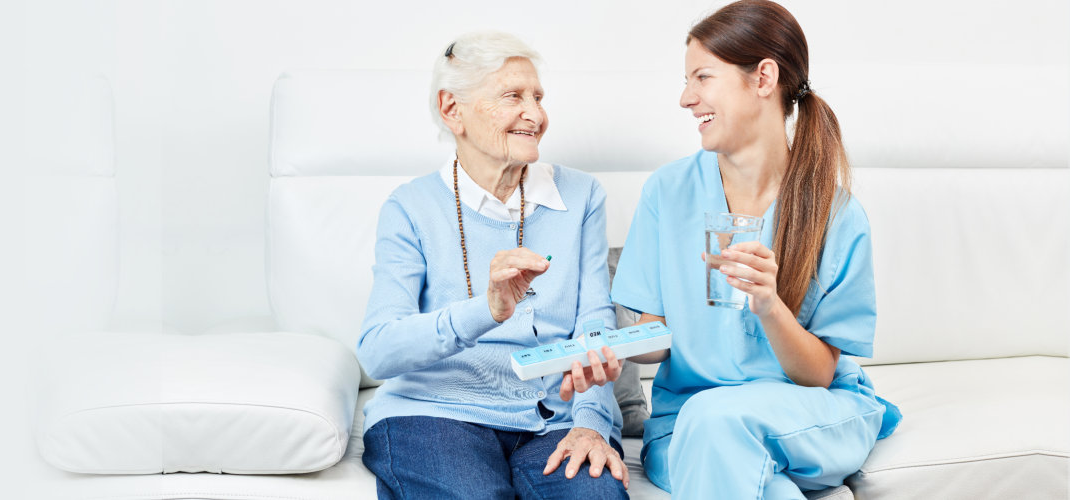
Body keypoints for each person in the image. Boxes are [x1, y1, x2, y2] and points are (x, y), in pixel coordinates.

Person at [571, 2, 903, 498]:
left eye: (702, 77)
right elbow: (655, 341)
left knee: (715, 419)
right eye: (687, 81)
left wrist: (769, 306)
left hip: (805, 414)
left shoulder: (837, 215)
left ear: (763, 78)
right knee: (733, 450)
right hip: (686, 425)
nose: (686, 98)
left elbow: (818, 375)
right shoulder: (668, 192)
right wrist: (607, 352)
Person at [356, 31, 628, 500]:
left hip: (553, 419)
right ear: (451, 109)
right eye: (512, 97)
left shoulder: (582, 196)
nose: (536, 114)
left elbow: (594, 326)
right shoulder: (410, 207)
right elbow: (378, 351)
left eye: (538, 97)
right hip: (434, 412)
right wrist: (488, 309)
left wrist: (590, 425)